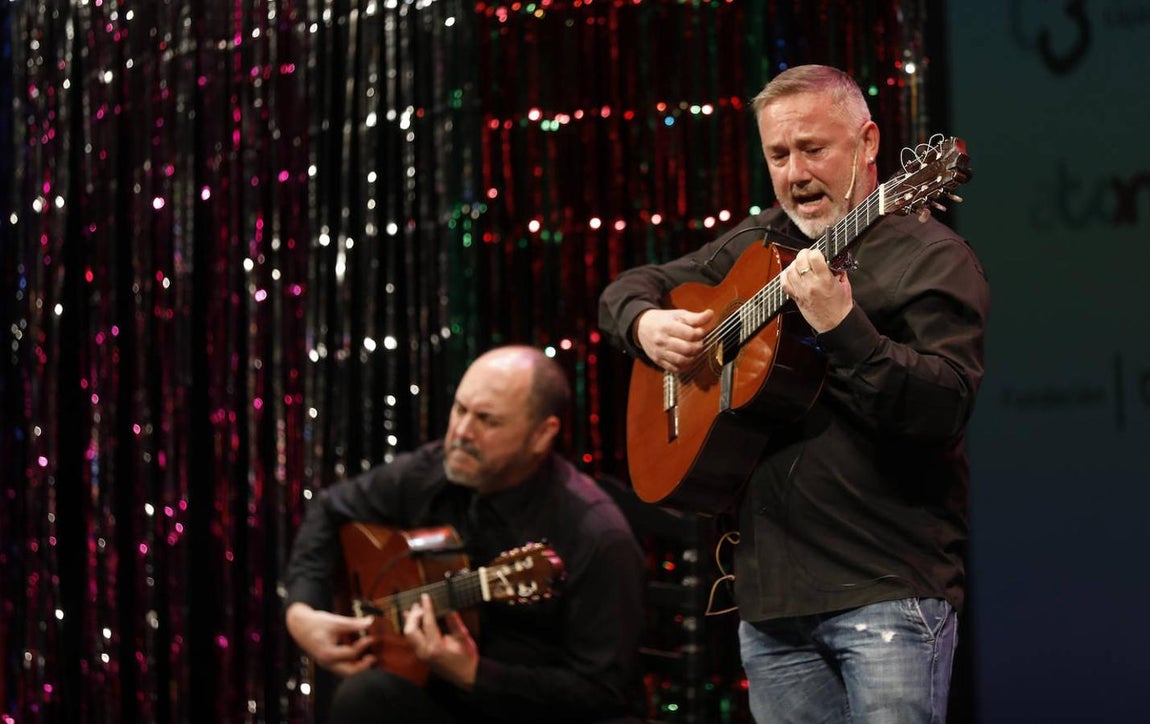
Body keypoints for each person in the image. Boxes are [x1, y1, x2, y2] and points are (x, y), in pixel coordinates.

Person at [598, 64, 990, 722]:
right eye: (778, 155)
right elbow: (627, 288)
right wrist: (645, 323)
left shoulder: (931, 258)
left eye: (813, 149)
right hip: (772, 610)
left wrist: (843, 328)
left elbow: (942, 406)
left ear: (868, 144)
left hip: (886, 593)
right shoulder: (758, 241)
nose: (795, 174)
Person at [284, 345, 647, 723]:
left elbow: (603, 692)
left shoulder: (597, 536)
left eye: (487, 420)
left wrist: (473, 674)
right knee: (362, 695)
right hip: (445, 699)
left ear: (542, 435)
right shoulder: (434, 470)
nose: (461, 432)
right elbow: (329, 509)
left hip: (537, 711)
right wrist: (301, 612)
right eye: (460, 409)